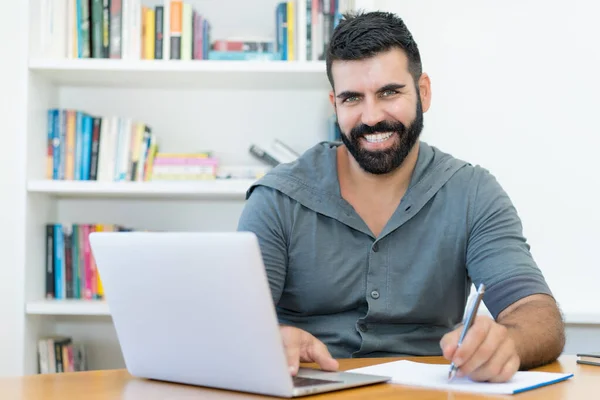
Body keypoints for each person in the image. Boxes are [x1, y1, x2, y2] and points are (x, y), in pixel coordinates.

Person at [237, 10, 565, 383]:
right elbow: (233, 327)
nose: (372, 116)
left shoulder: (472, 192)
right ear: (335, 104)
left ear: (423, 92)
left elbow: (536, 312)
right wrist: (270, 340)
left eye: (389, 92)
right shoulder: (277, 199)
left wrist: (509, 342)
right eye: (352, 99)